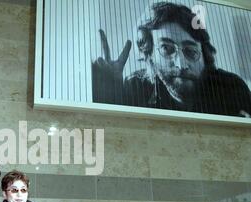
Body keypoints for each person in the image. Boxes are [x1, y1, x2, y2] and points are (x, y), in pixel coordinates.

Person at [92, 2, 251, 117]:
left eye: (190, 51)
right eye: (166, 49)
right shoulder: (135, 88)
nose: (181, 65)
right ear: (150, 54)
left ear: (205, 57)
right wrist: (107, 94)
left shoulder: (232, 89)